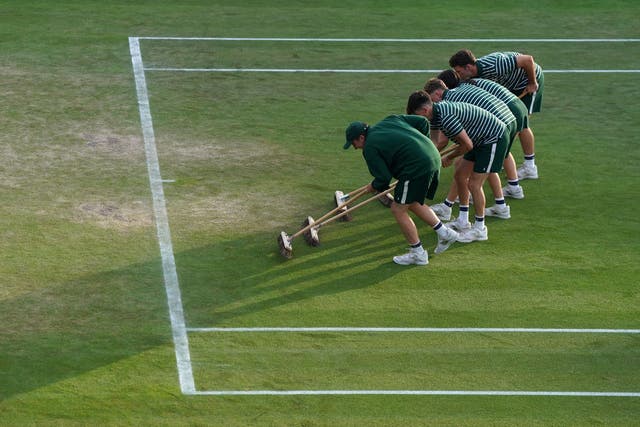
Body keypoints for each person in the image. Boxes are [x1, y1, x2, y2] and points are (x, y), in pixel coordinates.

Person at [343, 115, 458, 265]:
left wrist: (373, 186)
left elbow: (383, 178)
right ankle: (445, 233)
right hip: (432, 156)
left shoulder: (369, 147)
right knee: (411, 201)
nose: (355, 147)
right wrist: (422, 144)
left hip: (415, 167)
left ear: (361, 137)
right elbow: (422, 122)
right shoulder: (388, 120)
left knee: (398, 209)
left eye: (354, 143)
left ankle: (418, 254)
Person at [405, 92, 509, 243]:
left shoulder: (446, 118)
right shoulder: (435, 115)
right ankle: (463, 221)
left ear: (425, 110)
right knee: (460, 176)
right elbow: (436, 143)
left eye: (417, 114)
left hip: (493, 138)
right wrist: (427, 161)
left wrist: (449, 157)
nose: (417, 118)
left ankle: (480, 229)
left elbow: (467, 145)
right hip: (478, 139)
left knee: (474, 184)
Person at [422, 77, 517, 220]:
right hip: (488, 129)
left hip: (494, 131)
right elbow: (439, 142)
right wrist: (429, 160)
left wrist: (448, 156)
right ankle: (458, 213)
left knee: (476, 179)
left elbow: (454, 142)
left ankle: (481, 224)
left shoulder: (447, 107)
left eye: (430, 100)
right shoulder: (445, 104)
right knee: (461, 173)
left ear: (436, 94)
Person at [449, 49, 544, 180]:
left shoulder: (495, 65)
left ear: (468, 67)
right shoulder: (472, 76)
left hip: (527, 79)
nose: (459, 76)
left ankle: (530, 167)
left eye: (459, 72)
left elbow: (527, 60)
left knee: (522, 124)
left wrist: (532, 82)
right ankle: (503, 159)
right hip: (509, 86)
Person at [437, 69, 528, 200]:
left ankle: (460, 199)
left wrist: (435, 155)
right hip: (510, 113)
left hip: (504, 117)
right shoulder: (467, 86)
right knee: (493, 157)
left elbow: (444, 140)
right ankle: (513, 188)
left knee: (482, 161)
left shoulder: (455, 97)